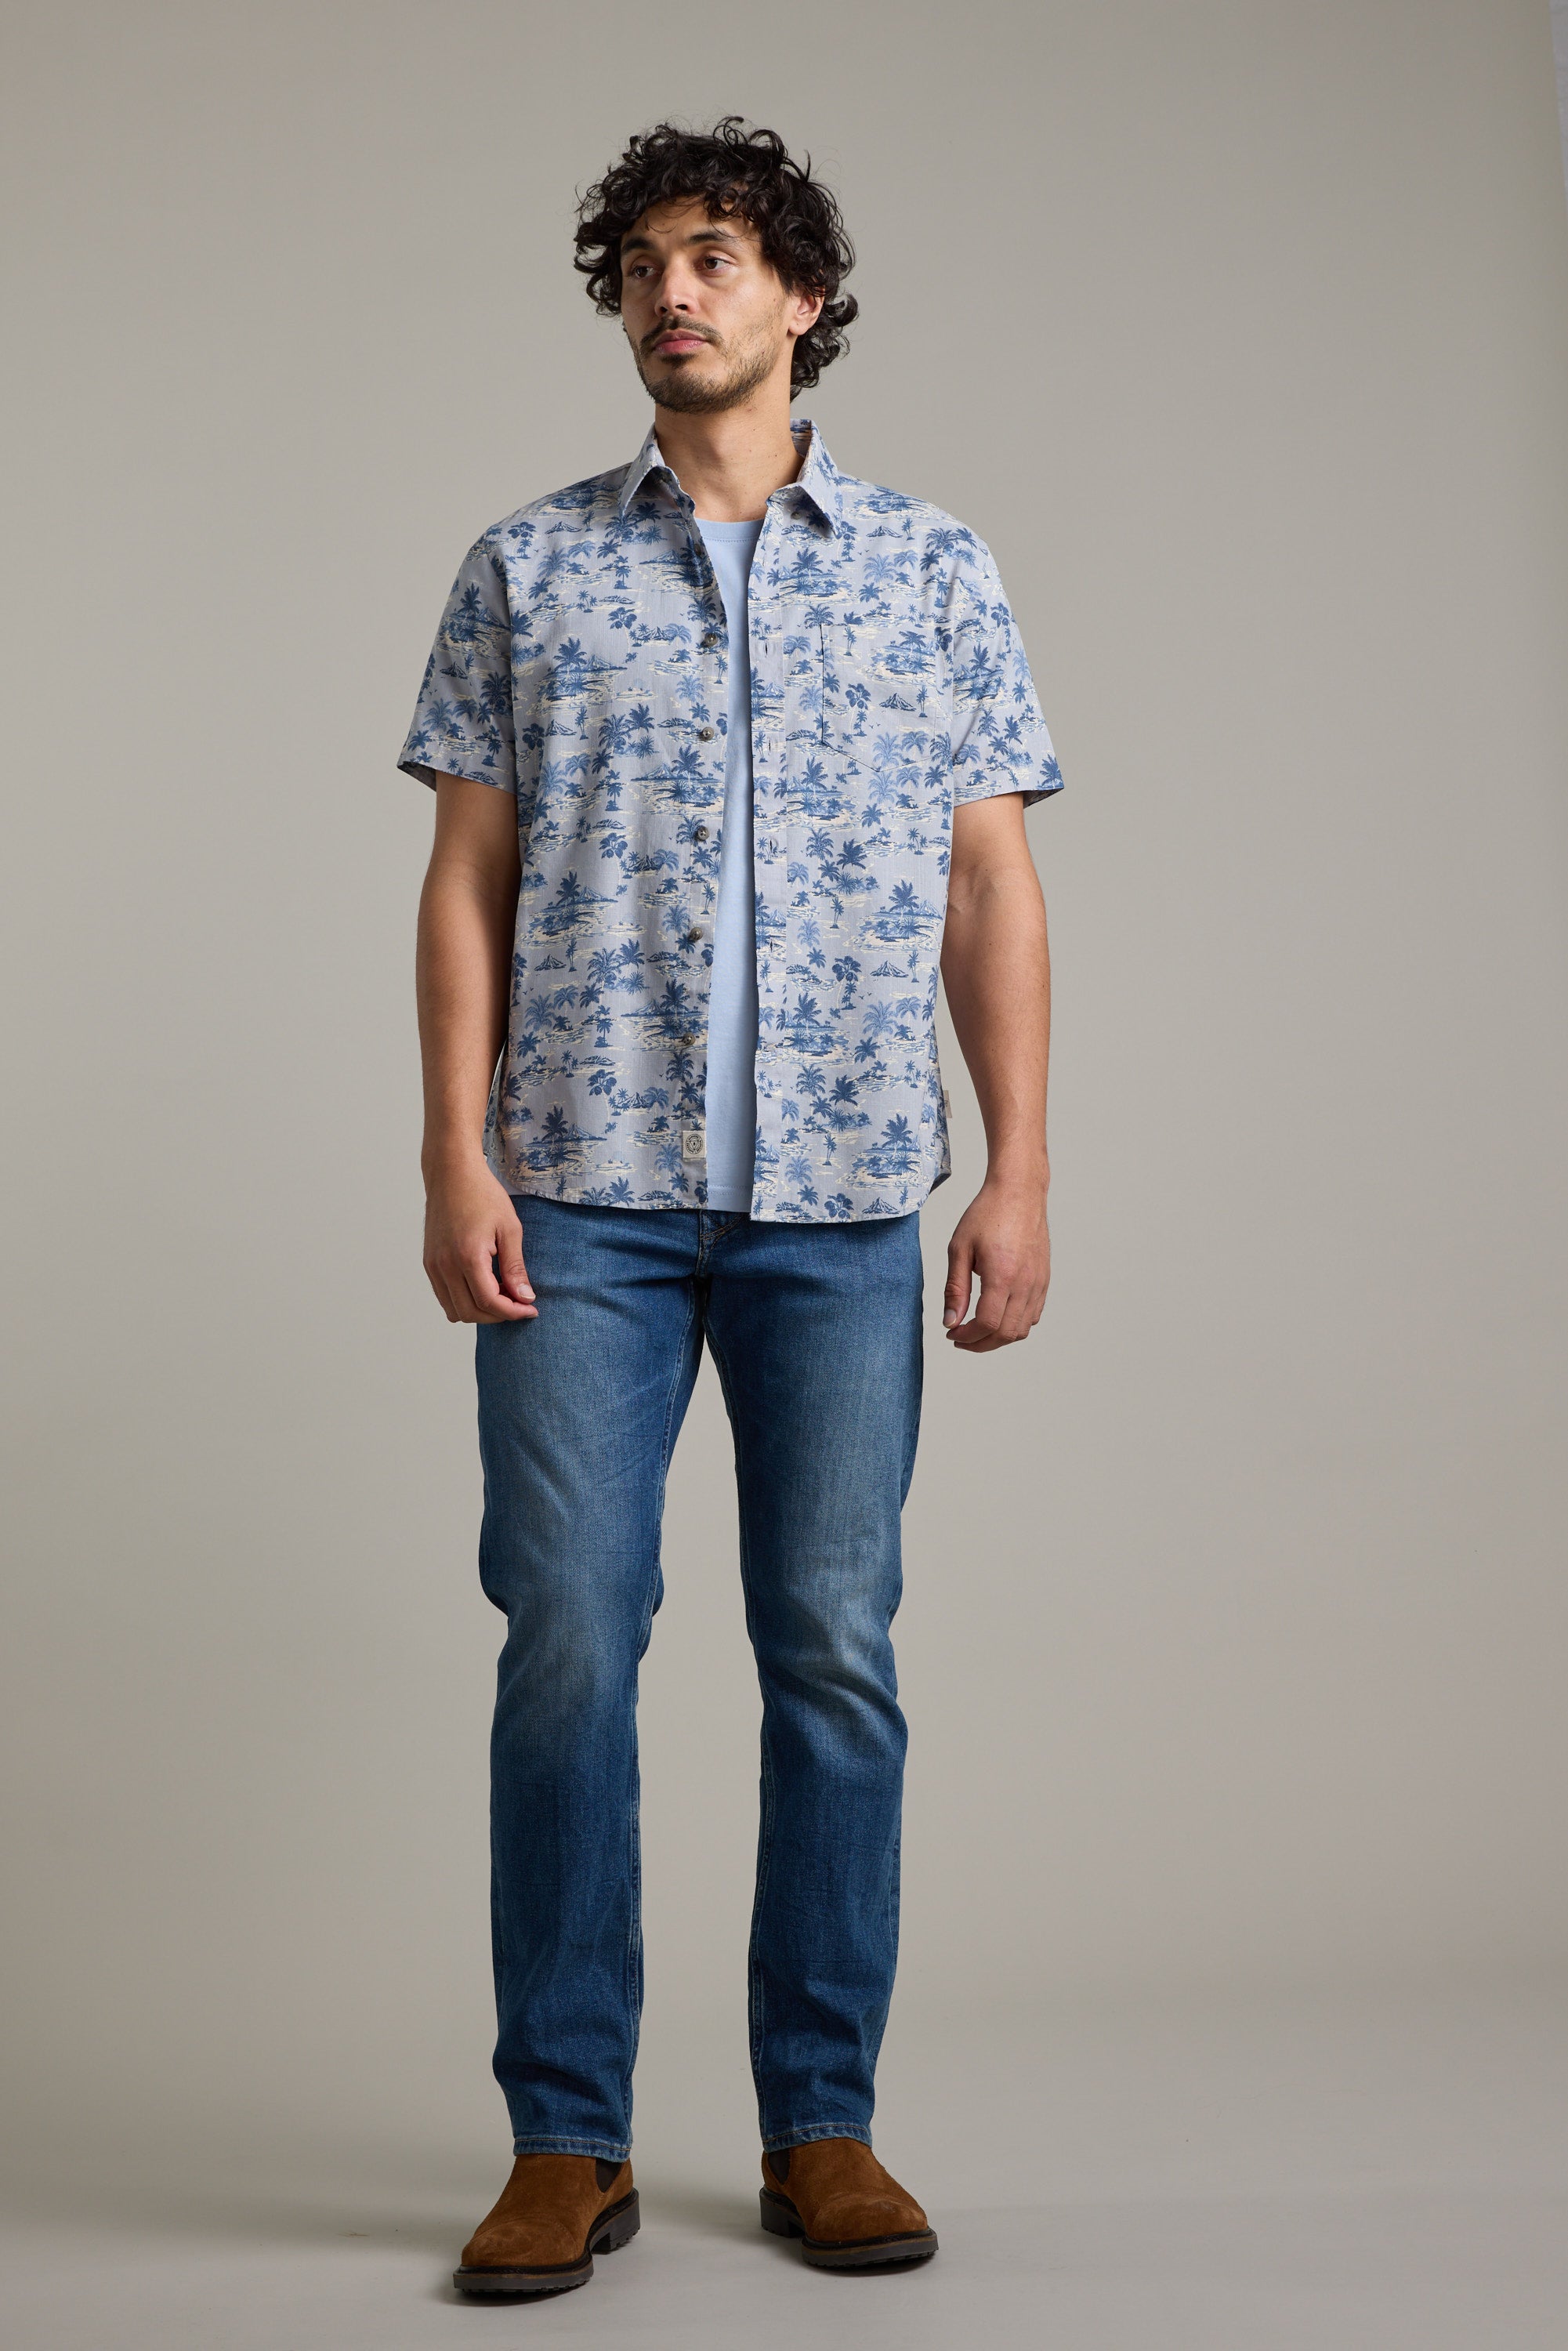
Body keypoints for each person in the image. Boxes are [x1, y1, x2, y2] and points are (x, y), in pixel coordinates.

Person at [398, 116, 1062, 2300]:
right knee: (568, 1643)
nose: (671, 294)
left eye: (714, 257)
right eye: (641, 268)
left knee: (831, 1654)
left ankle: (821, 2122)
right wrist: (450, 1147)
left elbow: (991, 885)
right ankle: (562, 2139)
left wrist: (1018, 1169)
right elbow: (466, 883)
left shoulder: (933, 569)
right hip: (574, 1198)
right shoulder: (527, 568)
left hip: (846, 1204)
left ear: (797, 298)